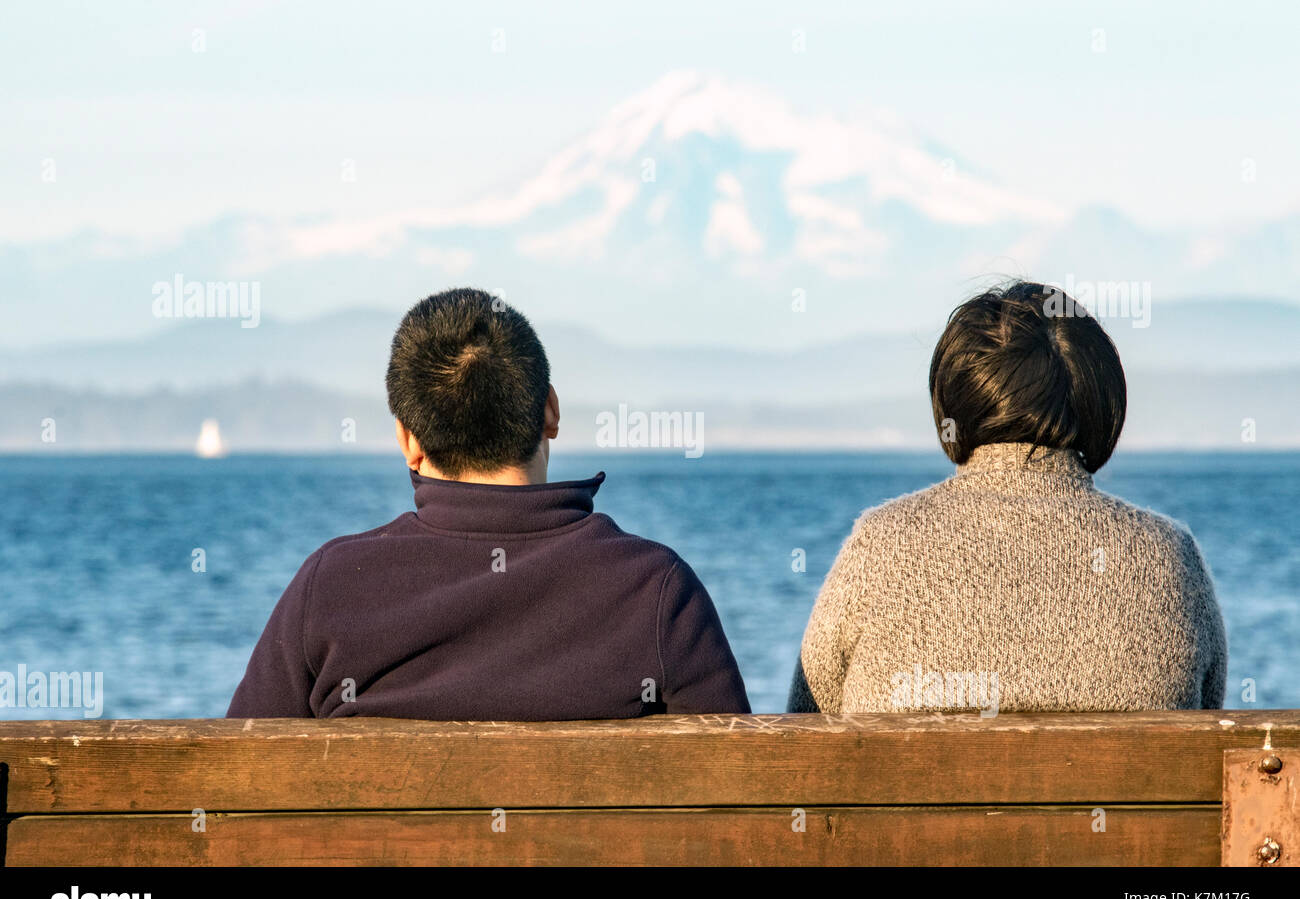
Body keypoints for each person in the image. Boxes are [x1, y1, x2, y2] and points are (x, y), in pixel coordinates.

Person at [228, 288, 750, 719]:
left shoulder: (331, 586)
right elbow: (741, 799)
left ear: (407, 439)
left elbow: (232, 789)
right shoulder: (655, 589)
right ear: (551, 410)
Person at [789, 280, 1227, 714]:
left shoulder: (878, 545)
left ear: (953, 400)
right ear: (1099, 395)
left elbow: (804, 733)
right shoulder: (1170, 556)